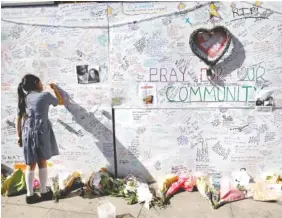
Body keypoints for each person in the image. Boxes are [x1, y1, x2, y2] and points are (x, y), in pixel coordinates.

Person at [15, 74, 64, 204]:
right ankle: (43, 191)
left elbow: (18, 118)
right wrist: (54, 89)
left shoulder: (24, 98)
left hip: (27, 133)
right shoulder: (45, 95)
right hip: (41, 132)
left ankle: (30, 195)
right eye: (41, 82)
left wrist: (18, 135)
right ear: (36, 82)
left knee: (30, 164)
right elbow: (61, 102)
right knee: (42, 161)